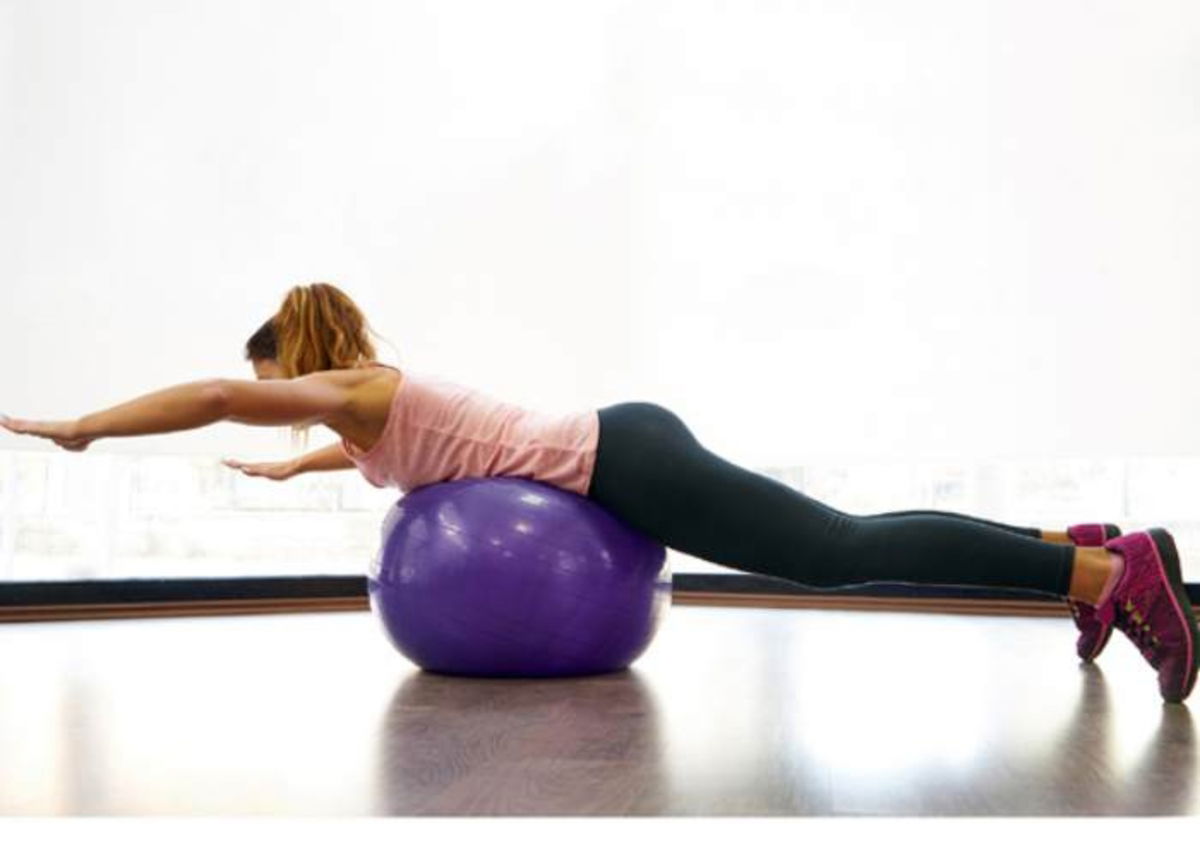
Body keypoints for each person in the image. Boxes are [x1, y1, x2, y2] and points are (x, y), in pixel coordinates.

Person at [2, 282, 1197, 703]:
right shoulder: (366, 410)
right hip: (617, 444)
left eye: (281, 389)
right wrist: (289, 464)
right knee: (837, 540)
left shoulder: (355, 387)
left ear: (292, 360)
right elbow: (402, 451)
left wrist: (84, 426)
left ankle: (1104, 572)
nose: (278, 403)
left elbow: (216, 392)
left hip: (622, 462)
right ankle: (1079, 546)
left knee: (832, 549)